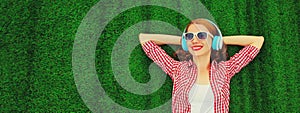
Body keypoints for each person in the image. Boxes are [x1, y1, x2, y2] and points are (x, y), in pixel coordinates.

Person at [139, 18, 264, 113]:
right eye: (189, 36)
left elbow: (257, 41)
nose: (194, 40)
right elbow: (144, 39)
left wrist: (219, 40)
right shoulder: (177, 69)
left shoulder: (225, 70)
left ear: (213, 41)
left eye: (201, 35)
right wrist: (183, 41)